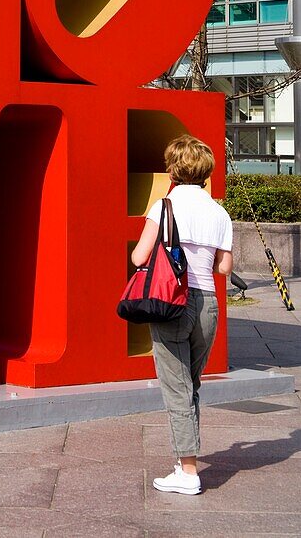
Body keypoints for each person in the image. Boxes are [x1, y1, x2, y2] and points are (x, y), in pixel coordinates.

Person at [131, 134, 233, 496]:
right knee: (191, 385)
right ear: (205, 171)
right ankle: (184, 461)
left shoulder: (165, 207)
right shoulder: (219, 212)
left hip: (173, 302)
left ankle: (188, 472)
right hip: (208, 304)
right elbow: (224, 267)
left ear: (173, 169)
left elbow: (140, 257)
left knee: (176, 388)